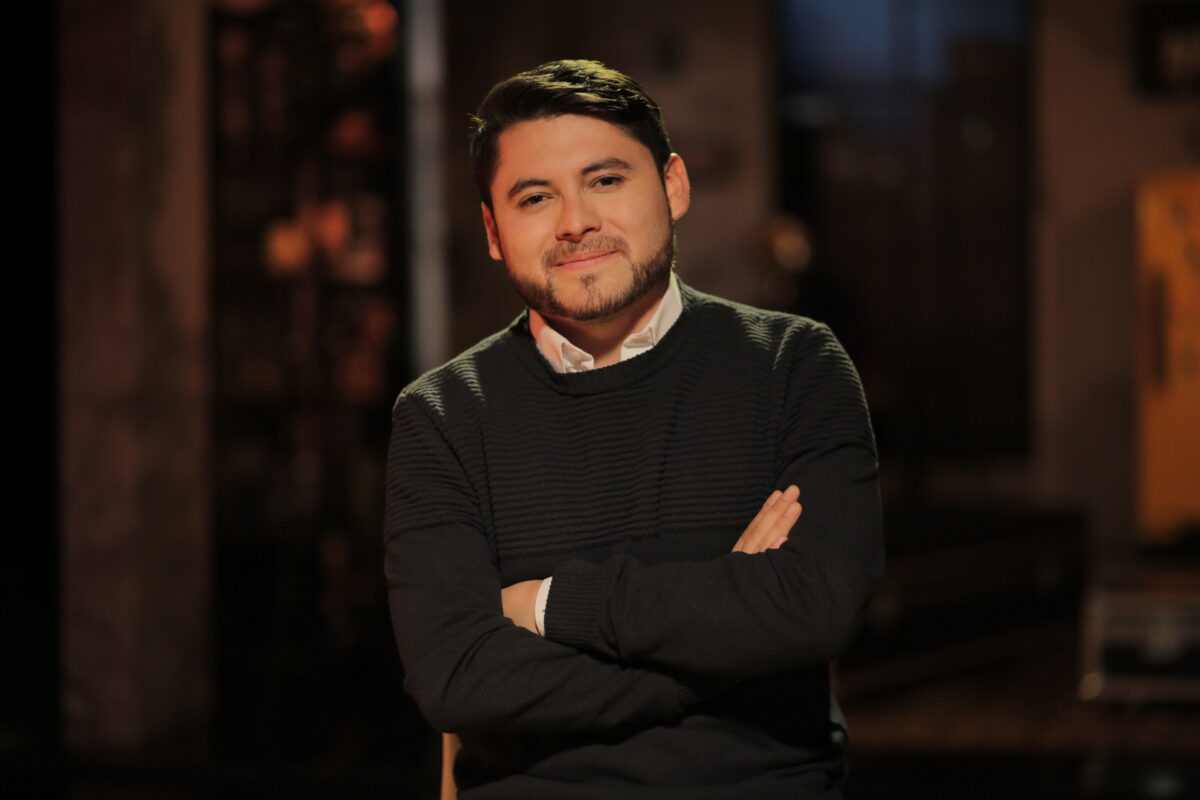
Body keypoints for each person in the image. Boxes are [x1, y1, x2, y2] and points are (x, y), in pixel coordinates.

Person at [384, 59, 884, 799]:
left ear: (673, 186)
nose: (576, 221)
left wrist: (551, 606)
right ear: (492, 230)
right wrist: (726, 641)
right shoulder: (443, 415)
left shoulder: (793, 366)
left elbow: (815, 607)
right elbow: (459, 678)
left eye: (606, 180)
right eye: (533, 197)